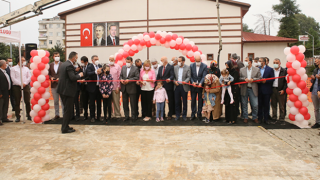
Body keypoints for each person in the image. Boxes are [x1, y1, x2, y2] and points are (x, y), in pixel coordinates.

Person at [57, 52, 83, 133]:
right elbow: (72, 78)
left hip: (63, 90)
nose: (77, 59)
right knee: (68, 110)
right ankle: (64, 128)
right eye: (76, 57)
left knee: (67, 109)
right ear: (73, 58)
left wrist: (75, 70)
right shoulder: (69, 65)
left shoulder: (64, 64)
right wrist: (80, 75)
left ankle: (66, 125)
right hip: (67, 91)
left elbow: (67, 75)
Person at [240, 57, 261, 123]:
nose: (245, 62)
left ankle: (254, 117)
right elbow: (240, 78)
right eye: (245, 60)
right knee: (244, 104)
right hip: (244, 88)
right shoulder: (242, 69)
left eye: (246, 61)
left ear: (250, 62)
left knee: (255, 104)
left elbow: (260, 78)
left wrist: (253, 79)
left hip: (253, 89)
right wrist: (244, 79)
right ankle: (245, 117)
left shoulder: (257, 69)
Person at [10, 57, 31, 122]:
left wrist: (25, 83)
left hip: (25, 86)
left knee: (27, 101)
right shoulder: (13, 69)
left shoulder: (26, 68)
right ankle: (18, 116)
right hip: (17, 86)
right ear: (19, 61)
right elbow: (13, 78)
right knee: (17, 101)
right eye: (23, 60)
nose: (24, 61)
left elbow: (29, 77)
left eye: (24, 60)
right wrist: (20, 84)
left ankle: (29, 115)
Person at [120, 57, 140, 122]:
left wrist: (129, 80)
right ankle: (126, 116)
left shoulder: (135, 68)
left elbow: (137, 77)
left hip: (132, 88)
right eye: (127, 62)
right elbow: (120, 76)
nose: (127, 63)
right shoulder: (123, 67)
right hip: (124, 88)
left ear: (132, 62)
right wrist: (121, 79)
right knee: (125, 103)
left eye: (129, 62)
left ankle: (134, 116)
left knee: (133, 103)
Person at [84, 55, 102, 122]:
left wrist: (101, 72)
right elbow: (88, 73)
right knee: (92, 103)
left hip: (99, 87)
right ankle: (92, 117)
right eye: (95, 59)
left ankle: (99, 116)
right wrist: (95, 72)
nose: (97, 60)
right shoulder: (89, 67)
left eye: (97, 59)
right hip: (92, 88)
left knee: (99, 103)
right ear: (92, 60)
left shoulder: (100, 66)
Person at [258, 57, 275, 124]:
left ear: (264, 62)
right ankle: (260, 118)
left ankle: (266, 119)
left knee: (266, 105)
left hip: (267, 90)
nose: (259, 62)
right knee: (259, 105)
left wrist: (266, 81)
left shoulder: (270, 69)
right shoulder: (257, 69)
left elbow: (273, 78)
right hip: (259, 89)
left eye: (260, 61)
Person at [190, 55, 207, 120]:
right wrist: (192, 82)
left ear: (201, 60)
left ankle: (199, 114)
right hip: (193, 86)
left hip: (200, 86)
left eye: (199, 61)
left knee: (200, 100)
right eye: (196, 61)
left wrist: (201, 83)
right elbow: (190, 76)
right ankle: (193, 114)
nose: (198, 62)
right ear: (194, 60)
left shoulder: (204, 66)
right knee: (193, 100)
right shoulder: (191, 66)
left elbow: (204, 76)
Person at [271, 58, 287, 125]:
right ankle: (274, 117)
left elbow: (286, 82)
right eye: (274, 62)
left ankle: (281, 119)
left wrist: (283, 90)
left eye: (277, 63)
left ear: (280, 63)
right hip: (273, 89)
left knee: (281, 105)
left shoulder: (284, 71)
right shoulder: (271, 71)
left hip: (280, 89)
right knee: (273, 105)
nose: (275, 64)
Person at [173, 56, 190, 121]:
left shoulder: (187, 67)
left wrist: (185, 82)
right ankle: (177, 115)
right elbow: (173, 77)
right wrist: (175, 82)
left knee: (185, 102)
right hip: (177, 86)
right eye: (178, 61)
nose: (179, 62)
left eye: (180, 61)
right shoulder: (175, 68)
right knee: (177, 102)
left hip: (184, 87)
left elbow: (189, 77)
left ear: (183, 61)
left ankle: (184, 115)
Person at [48, 52, 64, 121]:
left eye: (58, 56)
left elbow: (64, 74)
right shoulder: (50, 65)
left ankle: (64, 115)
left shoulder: (63, 64)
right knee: (56, 101)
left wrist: (60, 78)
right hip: (54, 85)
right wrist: (51, 77)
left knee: (63, 101)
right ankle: (57, 114)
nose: (57, 57)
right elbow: (48, 74)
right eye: (56, 56)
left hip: (61, 84)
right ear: (53, 57)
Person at [223, 60, 240, 124]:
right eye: (226, 66)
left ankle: (233, 119)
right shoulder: (227, 72)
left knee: (232, 104)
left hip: (233, 89)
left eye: (227, 65)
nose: (226, 67)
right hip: (227, 89)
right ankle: (227, 118)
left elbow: (235, 79)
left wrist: (230, 81)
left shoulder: (235, 72)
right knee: (227, 104)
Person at [310, 58, 320, 128]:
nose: (315, 63)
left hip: (319, 91)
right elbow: (312, 80)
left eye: (316, 61)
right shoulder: (315, 70)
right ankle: (317, 122)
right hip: (314, 91)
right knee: (316, 108)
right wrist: (312, 78)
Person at [0, 60, 11, 125]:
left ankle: (4, 117)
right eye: (5, 63)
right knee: (0, 106)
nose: (6, 64)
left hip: (6, 91)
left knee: (5, 105)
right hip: (1, 92)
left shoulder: (5, 71)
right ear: (3, 65)